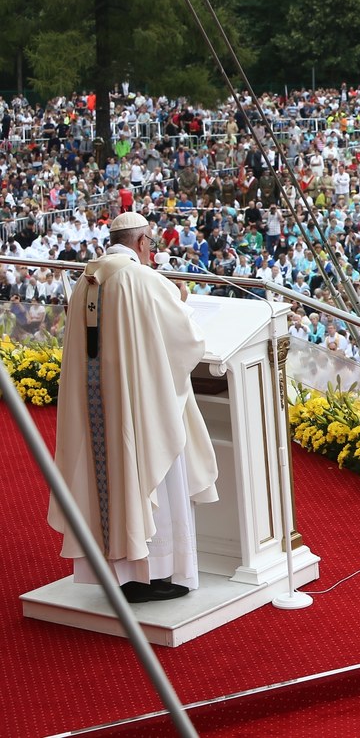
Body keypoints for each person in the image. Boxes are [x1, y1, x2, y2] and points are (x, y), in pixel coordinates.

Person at [49, 211, 219, 604]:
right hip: (141, 408)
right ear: (143, 243)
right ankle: (155, 574)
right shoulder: (140, 278)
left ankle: (120, 574)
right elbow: (186, 337)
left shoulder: (87, 280)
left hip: (99, 408)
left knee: (106, 479)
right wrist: (182, 298)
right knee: (149, 479)